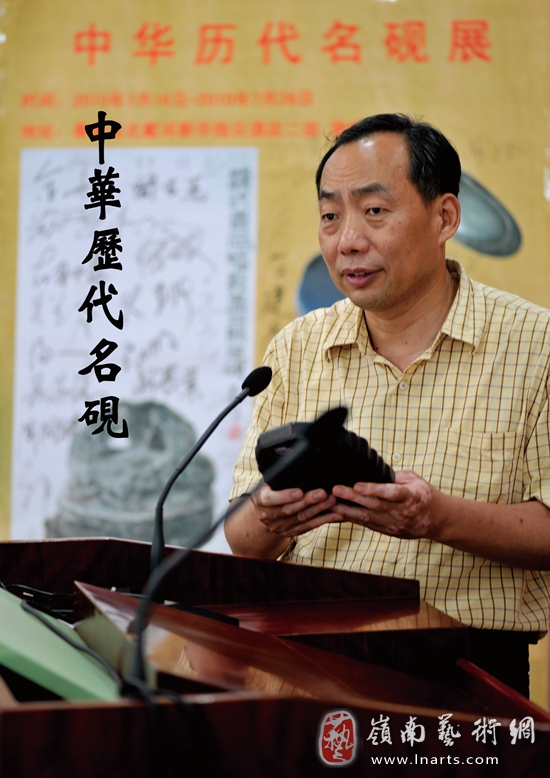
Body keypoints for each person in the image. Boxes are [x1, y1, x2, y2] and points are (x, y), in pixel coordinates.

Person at [225, 113, 550, 696]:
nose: (347, 240)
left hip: (467, 671)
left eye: (374, 211)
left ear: (444, 217)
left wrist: (434, 517)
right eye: (330, 216)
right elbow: (243, 542)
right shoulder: (297, 347)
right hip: (307, 663)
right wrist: (270, 516)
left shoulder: (536, 345)